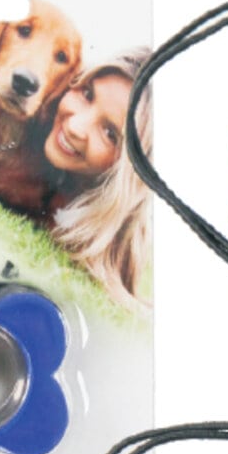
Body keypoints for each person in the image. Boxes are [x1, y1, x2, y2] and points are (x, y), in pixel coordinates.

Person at [42, 49, 153, 312]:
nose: (75, 127)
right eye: (87, 94)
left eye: (110, 134)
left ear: (129, 171)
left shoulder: (104, 249)